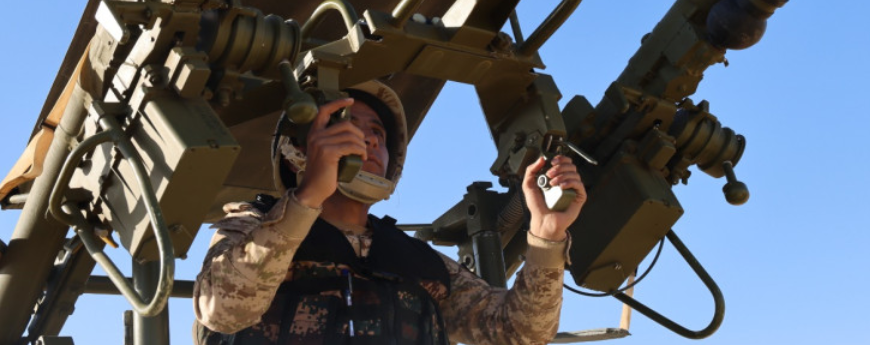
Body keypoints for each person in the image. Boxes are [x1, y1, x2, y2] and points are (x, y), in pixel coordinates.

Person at [193, 80, 586, 345]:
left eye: (378, 133)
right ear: (300, 148)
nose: (368, 139)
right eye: (346, 126)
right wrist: (308, 196)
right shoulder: (253, 226)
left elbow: (520, 332)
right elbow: (222, 309)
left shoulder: (421, 263)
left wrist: (547, 236)